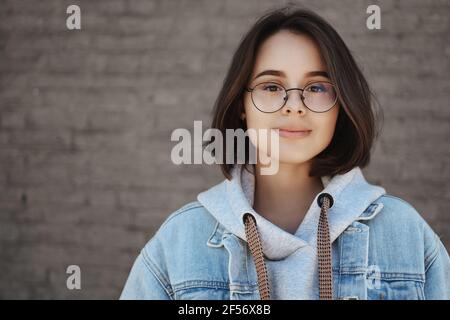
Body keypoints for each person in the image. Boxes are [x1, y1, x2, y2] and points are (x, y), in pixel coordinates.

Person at [120, 6, 450, 300]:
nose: (294, 106)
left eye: (317, 88)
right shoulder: (180, 242)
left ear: (341, 105)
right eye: (271, 86)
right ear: (242, 107)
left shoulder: (405, 233)